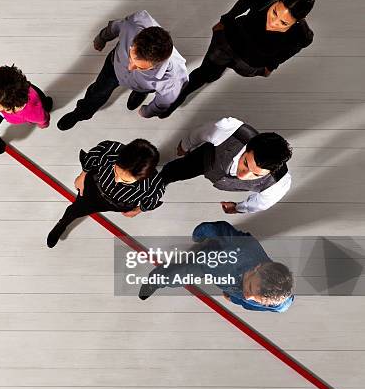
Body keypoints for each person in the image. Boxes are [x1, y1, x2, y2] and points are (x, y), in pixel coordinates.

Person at [164, 0, 315, 117]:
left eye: (283, 23)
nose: (273, 23)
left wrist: (270, 66)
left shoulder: (302, 36)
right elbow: (243, 3)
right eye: (274, 12)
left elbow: (286, 53)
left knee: (215, 71)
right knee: (205, 73)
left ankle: (214, 74)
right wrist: (225, 20)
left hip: (251, 63)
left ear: (300, 19)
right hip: (229, 41)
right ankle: (180, 97)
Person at [56, 10, 188, 130]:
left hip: (143, 84)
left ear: (157, 64)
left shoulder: (173, 79)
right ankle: (81, 113)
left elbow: (163, 102)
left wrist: (148, 111)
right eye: (131, 56)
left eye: (140, 67)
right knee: (98, 91)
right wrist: (102, 38)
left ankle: (139, 92)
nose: (130, 67)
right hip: (113, 65)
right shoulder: (133, 25)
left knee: (144, 86)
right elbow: (114, 27)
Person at [139, 221, 295, 313]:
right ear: (257, 268)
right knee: (174, 275)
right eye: (250, 288)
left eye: (259, 301)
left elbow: (278, 304)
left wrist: (235, 298)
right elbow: (220, 228)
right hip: (208, 264)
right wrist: (199, 234)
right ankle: (153, 282)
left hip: (228, 283)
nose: (248, 297)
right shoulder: (240, 246)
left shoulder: (279, 303)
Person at [47, 139, 166, 248]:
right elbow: (92, 156)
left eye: (126, 180)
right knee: (74, 210)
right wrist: (82, 175)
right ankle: (62, 224)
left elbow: (153, 198)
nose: (117, 180)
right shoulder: (110, 150)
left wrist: (138, 209)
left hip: (118, 204)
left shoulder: (153, 184)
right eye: (116, 171)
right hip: (94, 188)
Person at [160, 117, 292, 213]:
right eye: (245, 163)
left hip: (218, 175)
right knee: (173, 171)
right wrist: (185, 145)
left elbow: (261, 204)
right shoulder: (230, 130)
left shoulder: (278, 185)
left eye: (256, 174)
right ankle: (160, 181)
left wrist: (238, 208)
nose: (243, 175)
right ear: (248, 147)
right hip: (206, 158)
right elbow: (200, 133)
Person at [0, 65, 53, 163]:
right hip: (15, 94)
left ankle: (46, 103)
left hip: (31, 100)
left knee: (45, 105)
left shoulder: (32, 113)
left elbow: (43, 120)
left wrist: (42, 124)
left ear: (10, 107)